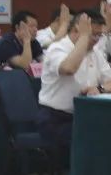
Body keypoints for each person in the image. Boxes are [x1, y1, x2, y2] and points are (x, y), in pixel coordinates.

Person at [37, 10, 111, 148]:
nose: (96, 40)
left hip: (85, 115)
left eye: (99, 35)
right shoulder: (57, 48)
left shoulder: (95, 53)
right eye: (93, 35)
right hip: (56, 119)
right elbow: (69, 68)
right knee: (95, 139)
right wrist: (84, 37)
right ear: (77, 29)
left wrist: (100, 88)